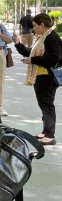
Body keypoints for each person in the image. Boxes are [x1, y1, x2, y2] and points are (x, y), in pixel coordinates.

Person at [13, 13, 61, 146]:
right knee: (44, 105)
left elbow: (54, 58)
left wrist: (33, 60)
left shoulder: (51, 37)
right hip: (41, 76)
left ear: (42, 25)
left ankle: (50, 135)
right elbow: (31, 52)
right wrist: (18, 44)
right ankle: (46, 132)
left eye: (35, 26)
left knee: (47, 105)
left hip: (47, 77)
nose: (33, 29)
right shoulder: (43, 37)